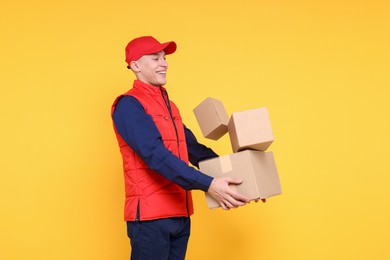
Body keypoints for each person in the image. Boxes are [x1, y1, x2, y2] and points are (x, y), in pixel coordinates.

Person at [111, 36, 249, 260]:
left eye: (164, 58)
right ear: (135, 66)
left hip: (179, 213)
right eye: (155, 58)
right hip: (150, 217)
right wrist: (208, 184)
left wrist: (244, 178)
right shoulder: (129, 105)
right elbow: (155, 155)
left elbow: (192, 149)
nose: (164, 63)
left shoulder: (168, 106)